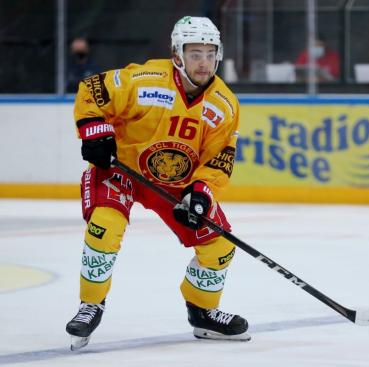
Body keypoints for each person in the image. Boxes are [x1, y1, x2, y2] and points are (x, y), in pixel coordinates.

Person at [65, 16, 249, 350]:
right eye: (195, 53)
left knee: (219, 247)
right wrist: (94, 131)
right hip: (121, 170)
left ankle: (203, 311)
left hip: (174, 183)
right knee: (105, 227)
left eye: (210, 53)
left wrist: (201, 192)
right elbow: (92, 90)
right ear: (177, 54)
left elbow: (220, 157)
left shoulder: (224, 105)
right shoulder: (145, 79)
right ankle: (91, 303)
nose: (204, 62)